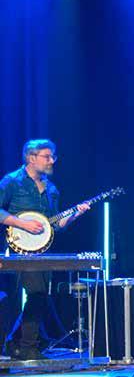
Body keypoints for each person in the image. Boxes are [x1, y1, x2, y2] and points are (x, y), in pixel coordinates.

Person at [0, 139, 89, 360]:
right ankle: (27, 346)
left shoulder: (51, 189)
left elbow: (55, 225)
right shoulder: (12, 182)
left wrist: (75, 214)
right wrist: (22, 224)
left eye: (53, 157)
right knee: (36, 293)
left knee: (40, 296)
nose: (52, 161)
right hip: (18, 249)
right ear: (31, 158)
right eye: (47, 156)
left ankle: (15, 343)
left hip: (42, 250)